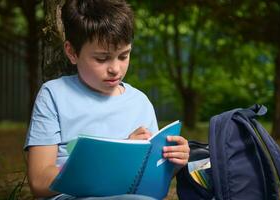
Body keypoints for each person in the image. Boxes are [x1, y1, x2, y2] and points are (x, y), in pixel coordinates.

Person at [24, 0, 190, 199]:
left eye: (123, 56)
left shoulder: (140, 102)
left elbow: (147, 181)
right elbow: (39, 181)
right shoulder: (53, 95)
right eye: (102, 59)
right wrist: (118, 158)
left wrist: (173, 164)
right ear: (72, 52)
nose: (115, 69)